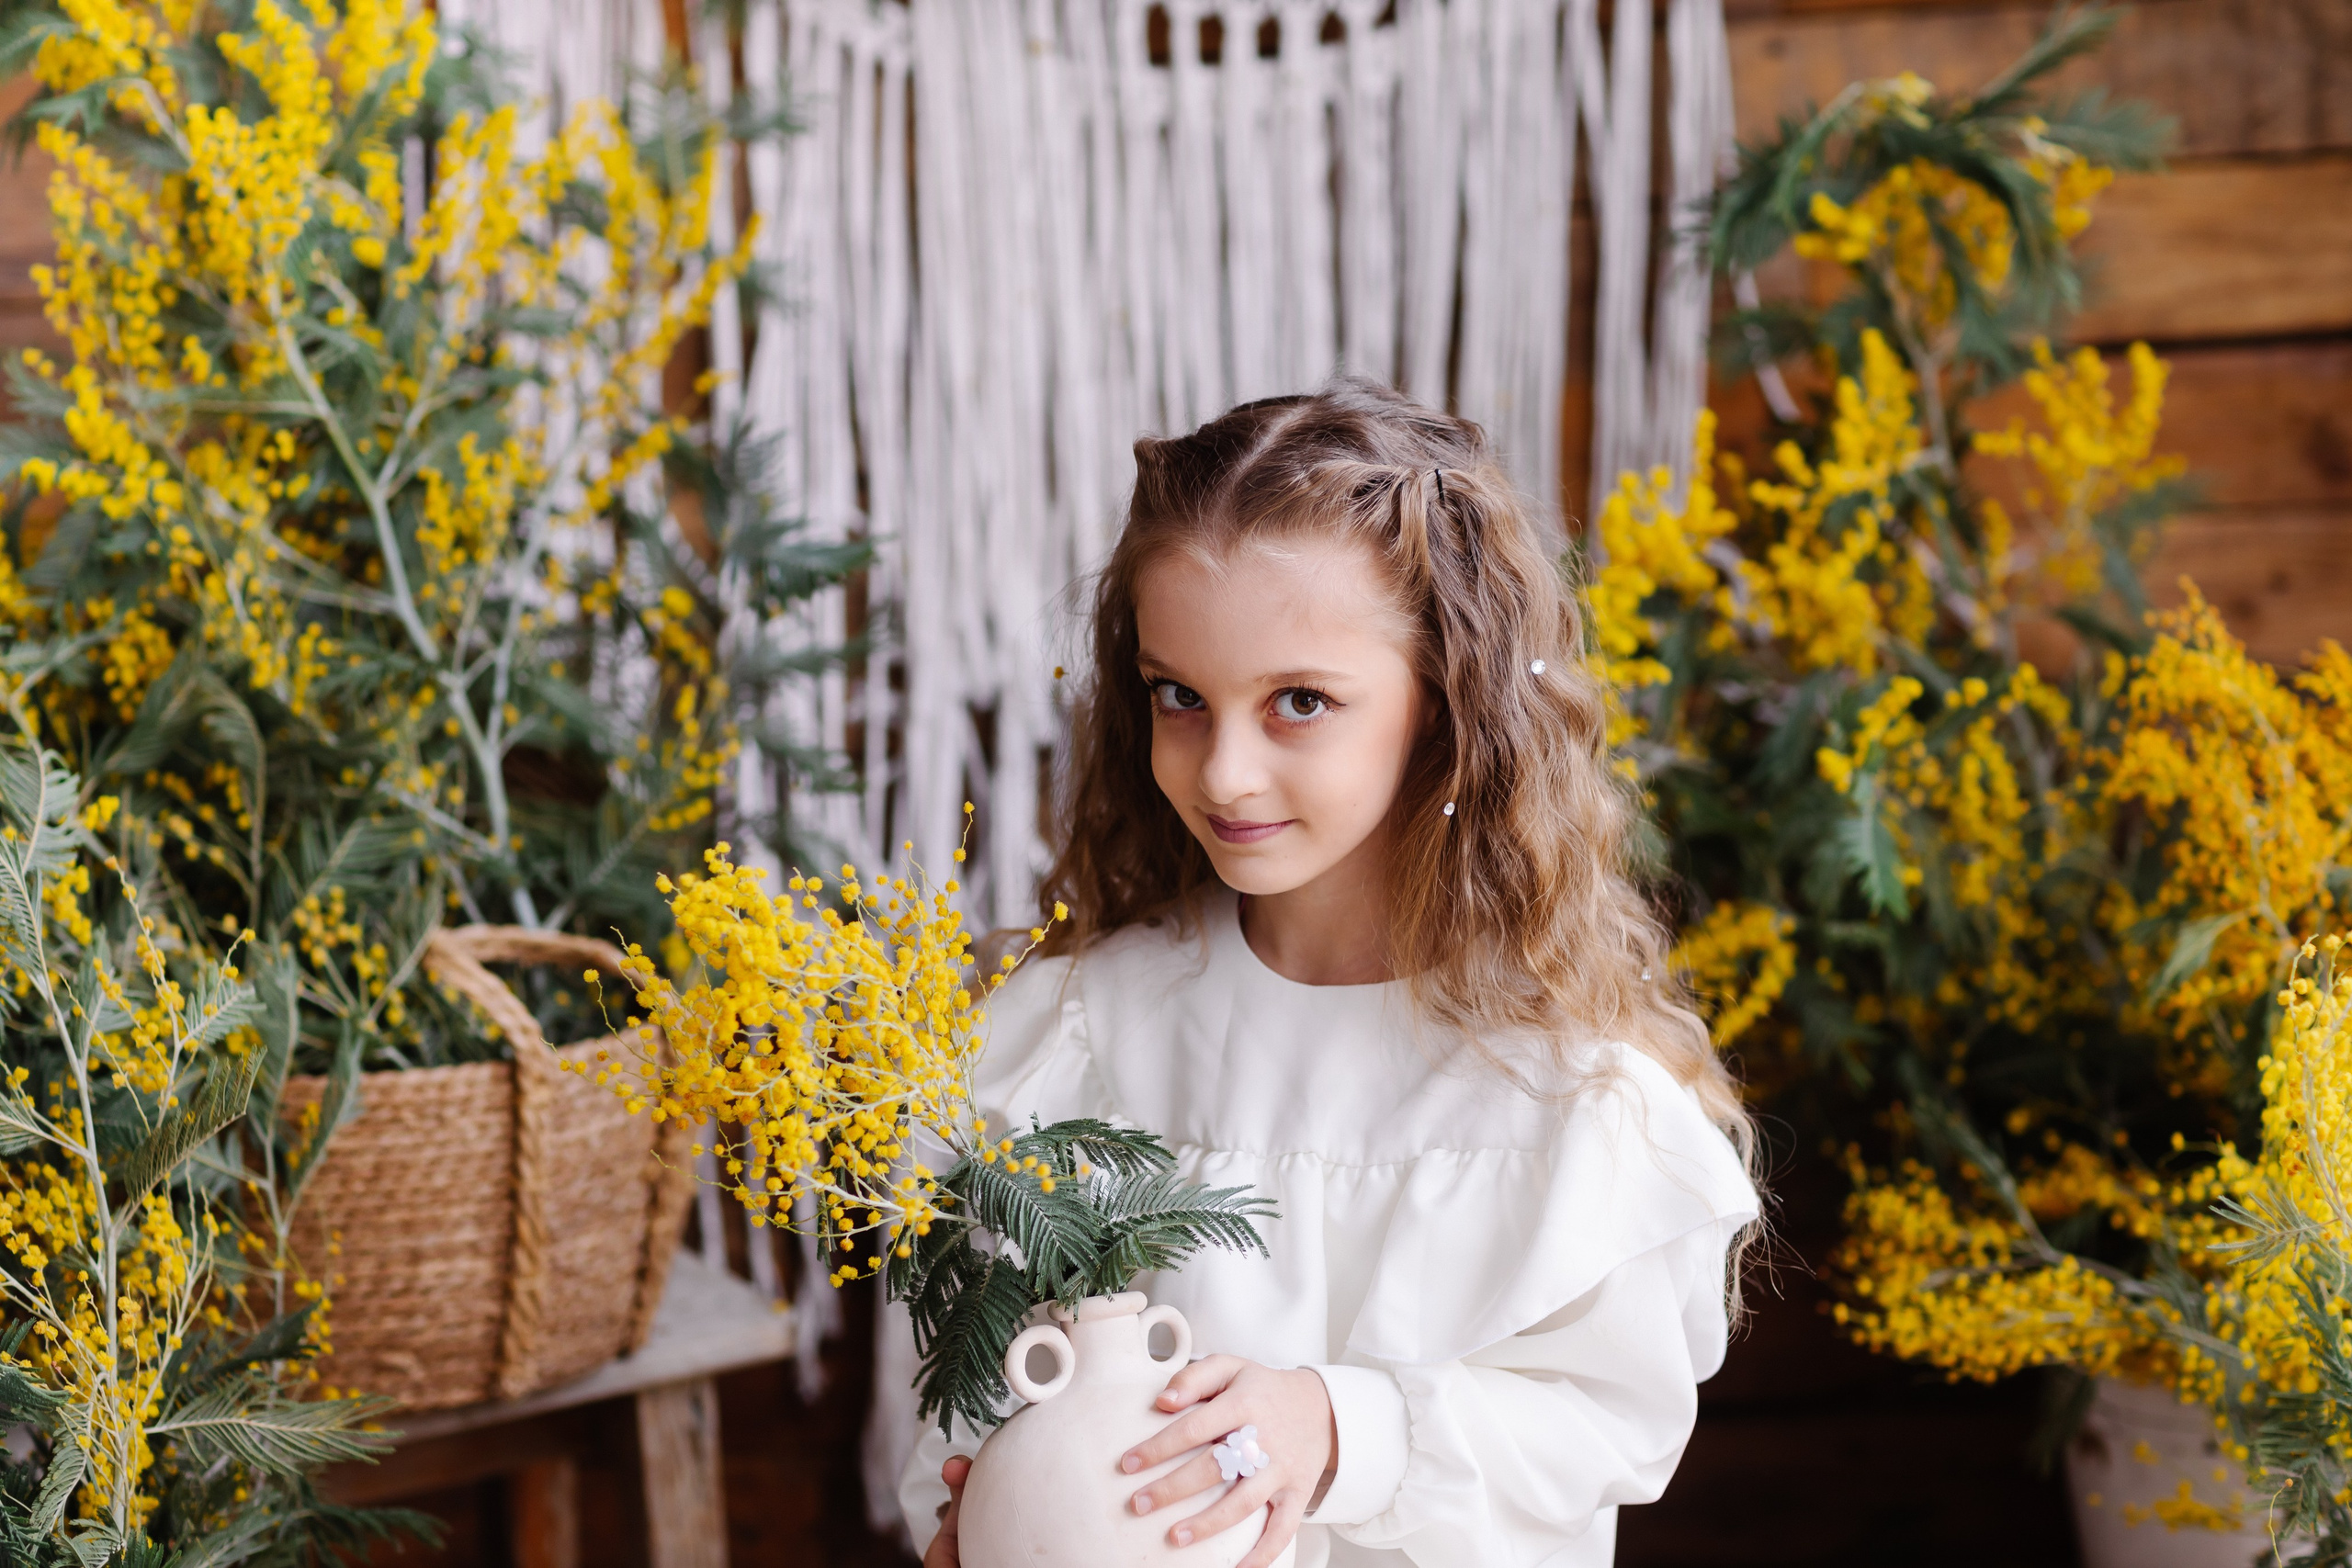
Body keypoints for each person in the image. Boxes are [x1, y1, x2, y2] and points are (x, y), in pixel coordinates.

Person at [899, 378, 1759, 1568]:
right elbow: (960, 1377)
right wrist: (984, 1509)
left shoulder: (1569, 1098)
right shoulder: (1071, 1040)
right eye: (1180, 698)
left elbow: (1604, 1429)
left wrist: (1341, 1427)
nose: (1226, 774)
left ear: (1447, 709)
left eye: (1299, 702)